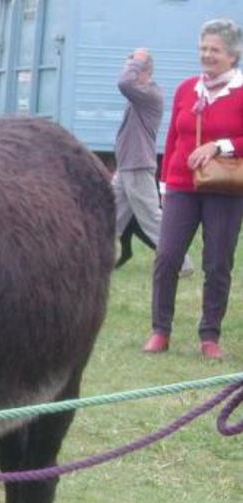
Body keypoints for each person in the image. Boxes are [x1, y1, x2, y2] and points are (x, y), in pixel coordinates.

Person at [144, 19, 243, 360]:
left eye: (214, 49)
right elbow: (173, 136)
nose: (207, 55)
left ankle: (210, 335)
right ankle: (160, 330)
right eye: (203, 48)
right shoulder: (187, 89)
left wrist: (221, 146)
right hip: (182, 186)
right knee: (167, 256)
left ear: (233, 55)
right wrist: (164, 184)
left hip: (225, 189)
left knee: (217, 263)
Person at [112, 48, 194, 276]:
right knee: (109, 215)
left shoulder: (149, 95)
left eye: (133, 68)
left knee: (151, 217)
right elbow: (126, 82)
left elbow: (124, 83)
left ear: (144, 72)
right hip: (128, 165)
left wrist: (136, 61)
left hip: (137, 166)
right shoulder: (140, 95)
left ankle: (182, 262)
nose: (127, 71)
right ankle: (96, 258)